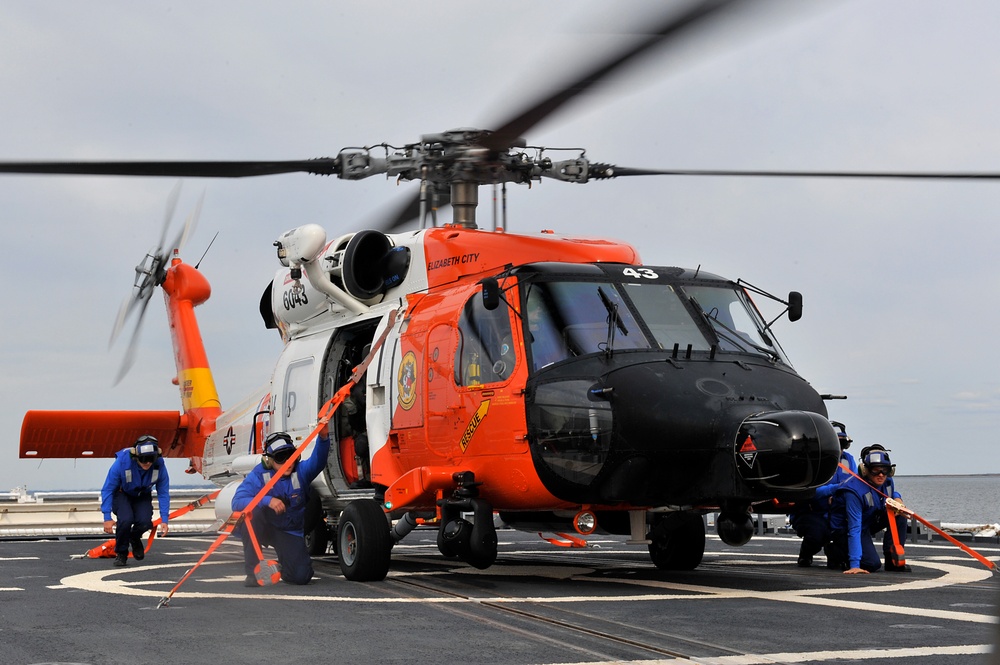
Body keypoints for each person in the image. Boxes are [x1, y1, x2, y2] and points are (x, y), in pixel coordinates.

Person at [231, 424, 331, 587]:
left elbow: (318, 461)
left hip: (288, 531)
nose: (287, 462)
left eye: (290, 456)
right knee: (252, 513)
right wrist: (266, 500)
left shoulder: (301, 472)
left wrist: (323, 438)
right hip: (264, 526)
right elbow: (237, 501)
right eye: (280, 458)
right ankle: (253, 573)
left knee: (301, 577)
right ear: (269, 460)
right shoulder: (258, 475)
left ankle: (280, 566)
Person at [826, 445, 910, 574]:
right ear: (865, 470)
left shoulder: (887, 482)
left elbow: (889, 494)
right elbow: (854, 528)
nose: (881, 475)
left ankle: (892, 561)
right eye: (875, 470)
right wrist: (855, 564)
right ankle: (836, 552)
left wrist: (898, 499)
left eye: (885, 470)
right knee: (871, 564)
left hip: (867, 521)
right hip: (846, 528)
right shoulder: (854, 491)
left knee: (900, 515)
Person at [789, 421, 857, 567]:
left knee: (842, 549)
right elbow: (810, 491)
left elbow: (855, 486)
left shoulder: (849, 460)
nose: (840, 449)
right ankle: (805, 554)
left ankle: (834, 554)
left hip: (837, 514)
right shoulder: (812, 461)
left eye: (843, 444)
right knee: (817, 533)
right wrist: (836, 489)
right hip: (812, 512)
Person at [100, 435, 170, 566]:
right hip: (122, 494)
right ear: (136, 456)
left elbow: (163, 492)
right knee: (126, 520)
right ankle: (121, 553)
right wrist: (107, 517)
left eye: (151, 459)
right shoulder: (122, 462)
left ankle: (134, 537)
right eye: (144, 459)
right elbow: (107, 489)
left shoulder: (159, 466)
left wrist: (165, 518)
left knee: (145, 522)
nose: (147, 463)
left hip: (142, 495)